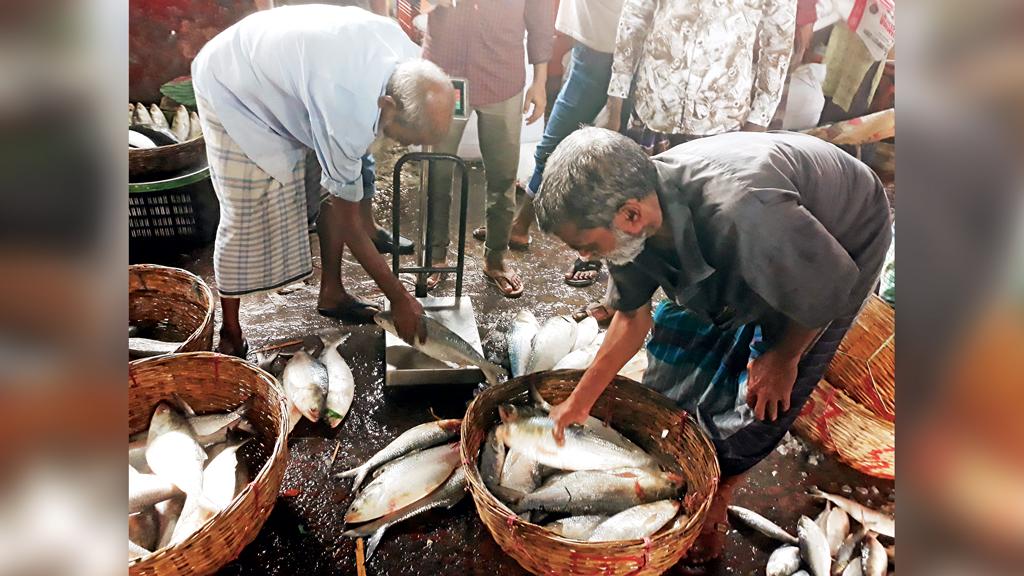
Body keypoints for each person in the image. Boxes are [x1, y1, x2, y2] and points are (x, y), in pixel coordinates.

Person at [534, 127, 892, 563]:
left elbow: (824, 290)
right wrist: (579, 401)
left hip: (840, 234)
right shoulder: (636, 221)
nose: (586, 257)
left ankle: (720, 494)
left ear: (630, 216)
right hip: (765, 227)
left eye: (586, 246)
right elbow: (631, 317)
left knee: (762, 398)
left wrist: (782, 357)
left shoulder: (746, 211)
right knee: (678, 340)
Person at [192, 5, 456, 356]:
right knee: (243, 215)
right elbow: (347, 220)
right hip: (234, 85)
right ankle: (230, 330)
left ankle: (332, 293)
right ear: (387, 105)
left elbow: (342, 188)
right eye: (409, 138)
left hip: (295, 74)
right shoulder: (347, 109)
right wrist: (399, 297)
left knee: (330, 183)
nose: (411, 146)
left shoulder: (409, 62)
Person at [473, 0, 628, 291]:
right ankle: (520, 227)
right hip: (589, 47)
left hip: (619, 51)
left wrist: (617, 99)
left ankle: (594, 252)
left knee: (608, 160)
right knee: (551, 148)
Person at [421, 0, 554, 298]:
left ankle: (495, 258)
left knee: (502, 175)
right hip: (446, 76)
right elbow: (406, 6)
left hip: (502, 75)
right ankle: (436, 257)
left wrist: (540, 82)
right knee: (436, 172)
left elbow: (540, 21)